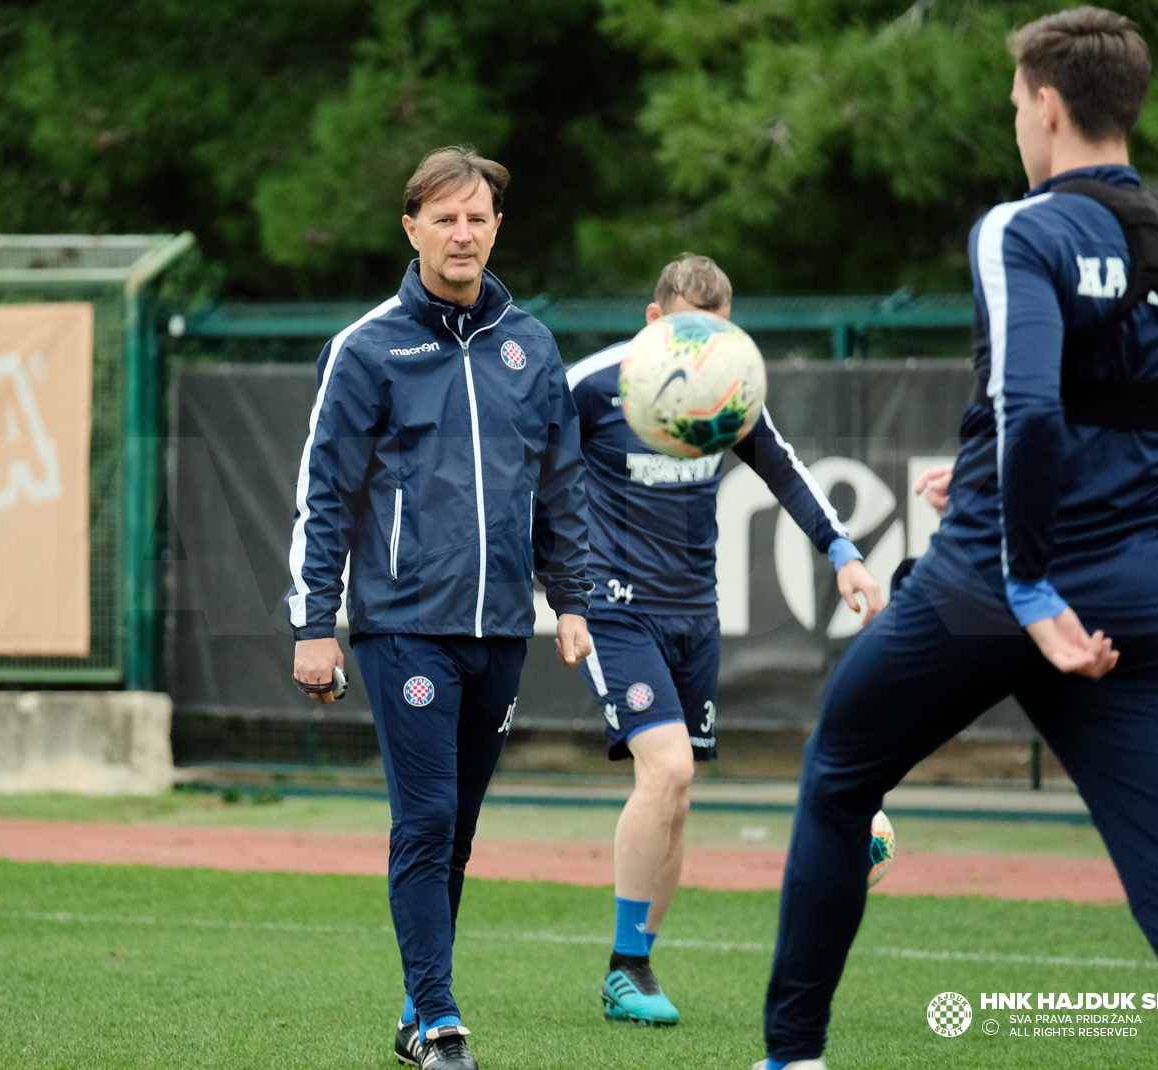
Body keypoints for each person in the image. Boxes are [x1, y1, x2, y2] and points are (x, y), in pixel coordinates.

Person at [755, 8, 1158, 1068]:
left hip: (988, 595)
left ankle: (791, 1055)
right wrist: (997, 481)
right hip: (1134, 613)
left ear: (1048, 106)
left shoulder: (1020, 229)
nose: (1016, 121)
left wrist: (1027, 585)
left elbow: (1032, 408)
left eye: (1016, 103)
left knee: (839, 771)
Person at [286, 146, 593, 1070]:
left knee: (455, 829)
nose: (463, 233)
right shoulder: (368, 347)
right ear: (411, 227)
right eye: (445, 217)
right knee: (423, 819)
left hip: (502, 629)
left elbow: (562, 490)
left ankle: (420, 1009)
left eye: (479, 217)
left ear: (497, 228)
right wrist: (313, 624)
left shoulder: (531, 345)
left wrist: (570, 602)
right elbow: (325, 492)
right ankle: (441, 1018)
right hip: (402, 626)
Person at [565, 254, 884, 1026]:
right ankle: (626, 967)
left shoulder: (729, 381)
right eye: (682, 331)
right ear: (651, 321)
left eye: (714, 334)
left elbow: (785, 470)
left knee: (675, 799)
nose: (698, 351)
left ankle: (633, 967)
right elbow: (528, 478)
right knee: (667, 769)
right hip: (615, 608)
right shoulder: (592, 383)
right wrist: (563, 594)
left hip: (693, 614)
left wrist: (843, 553)